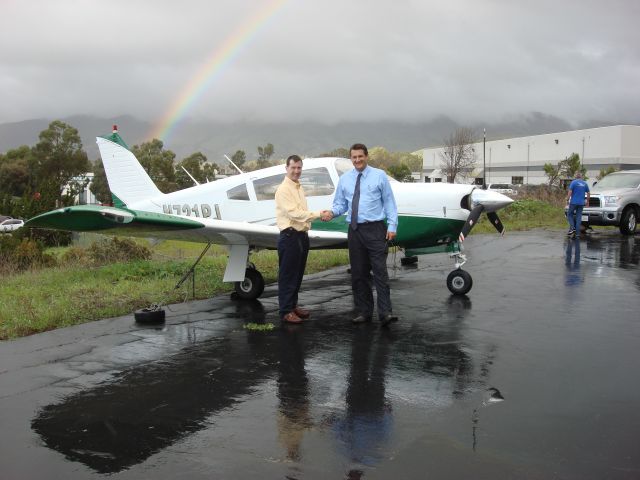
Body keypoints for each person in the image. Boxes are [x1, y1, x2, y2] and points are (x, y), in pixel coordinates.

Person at [323, 143, 398, 326]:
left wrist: (392, 226)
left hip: (375, 229)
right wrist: (332, 213)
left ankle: (385, 313)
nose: (357, 160)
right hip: (355, 231)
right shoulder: (345, 179)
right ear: (351, 158)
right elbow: (341, 204)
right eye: (354, 157)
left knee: (380, 272)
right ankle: (364, 312)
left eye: (360, 156)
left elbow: (389, 203)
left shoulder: (379, 176)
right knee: (358, 274)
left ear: (366, 156)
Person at [275, 154, 328, 324]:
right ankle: (285, 311)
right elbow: (295, 214)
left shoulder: (298, 187)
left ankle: (292, 305)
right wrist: (320, 214)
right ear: (287, 169)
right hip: (290, 236)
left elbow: (301, 213)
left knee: (297, 274)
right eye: (293, 168)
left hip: (301, 236)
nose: (296, 171)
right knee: (288, 275)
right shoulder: (283, 189)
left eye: (299, 168)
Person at [566, 172, 590, 239]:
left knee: (569, 214)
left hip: (573, 202)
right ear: (581, 177)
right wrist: (587, 201)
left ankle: (572, 228)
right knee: (578, 217)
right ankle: (577, 233)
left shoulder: (573, 182)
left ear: (575, 176)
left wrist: (567, 199)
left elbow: (570, 191)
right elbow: (588, 193)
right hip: (581, 203)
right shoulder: (585, 183)